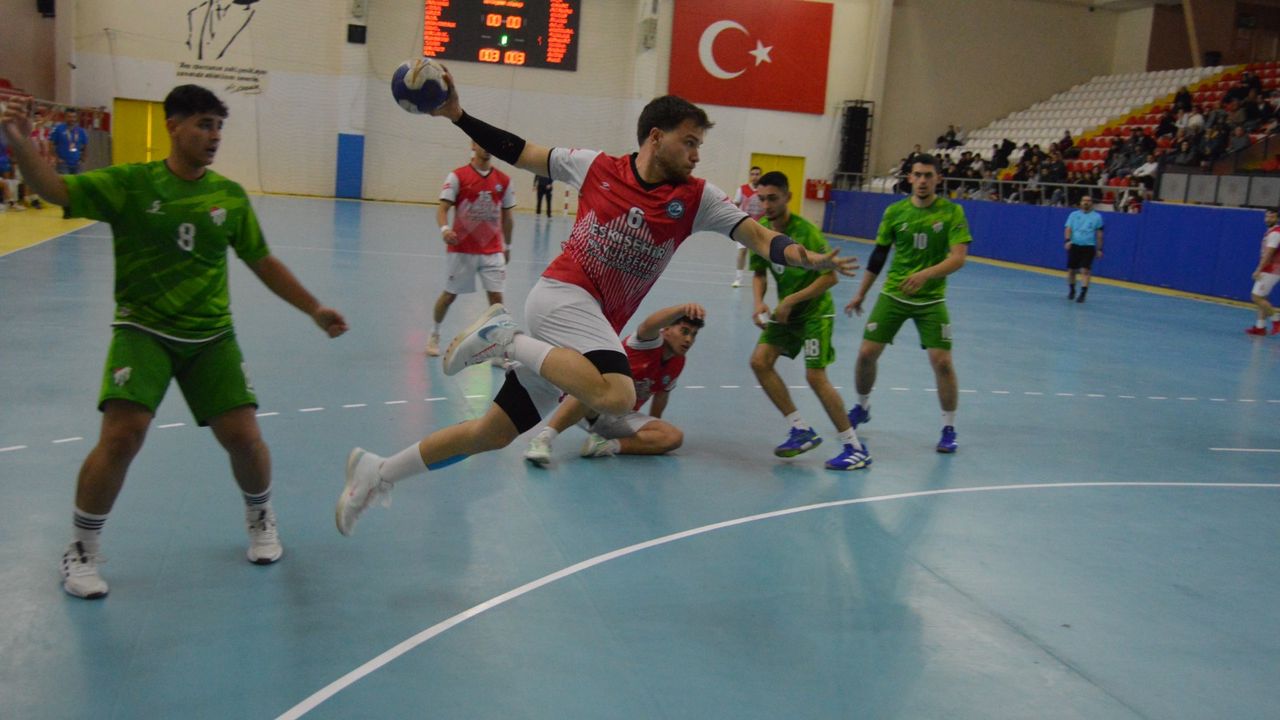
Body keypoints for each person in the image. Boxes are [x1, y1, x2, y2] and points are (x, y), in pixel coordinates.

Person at [334, 75, 858, 536]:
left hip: (579, 330)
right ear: (656, 136)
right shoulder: (595, 167)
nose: (697, 155)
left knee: (490, 434)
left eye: (700, 145)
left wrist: (807, 257)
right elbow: (521, 151)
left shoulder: (697, 198)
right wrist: (458, 116)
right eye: (690, 142)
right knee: (618, 393)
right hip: (563, 296)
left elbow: (760, 238)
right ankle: (505, 339)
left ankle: (377, 473)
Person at [1, 87, 349, 599]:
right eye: (204, 125)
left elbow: (263, 262)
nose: (214, 137)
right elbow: (54, 189)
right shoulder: (131, 184)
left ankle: (260, 516)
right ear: (173, 126)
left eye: (219, 127)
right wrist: (17, 140)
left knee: (245, 438)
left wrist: (314, 309)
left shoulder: (229, 196)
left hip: (211, 336)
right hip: (142, 331)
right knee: (123, 435)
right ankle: (81, 549)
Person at [844, 154, 970, 454]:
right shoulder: (895, 212)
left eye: (928, 175)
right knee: (865, 354)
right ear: (910, 178)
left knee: (942, 362)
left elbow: (958, 258)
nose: (923, 181)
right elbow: (879, 256)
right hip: (894, 294)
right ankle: (862, 407)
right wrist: (861, 293)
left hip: (931, 298)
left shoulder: (952, 212)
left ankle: (949, 428)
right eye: (918, 175)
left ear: (938, 178)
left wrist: (926, 275)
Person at [748, 171, 869, 470]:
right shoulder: (761, 231)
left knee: (815, 376)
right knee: (760, 362)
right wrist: (759, 301)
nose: (767, 205)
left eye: (773, 198)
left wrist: (791, 300)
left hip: (815, 312)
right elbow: (759, 272)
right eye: (762, 199)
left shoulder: (806, 232)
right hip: (787, 313)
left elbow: (830, 278)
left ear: (788, 197)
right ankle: (800, 429)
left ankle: (855, 448)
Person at [524, 303, 704, 466]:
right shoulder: (648, 343)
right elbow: (649, 324)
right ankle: (543, 440)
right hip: (592, 403)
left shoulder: (678, 362)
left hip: (621, 414)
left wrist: (653, 428)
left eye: (693, 335)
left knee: (673, 437)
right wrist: (681, 309)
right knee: (590, 389)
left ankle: (605, 446)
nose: (689, 340)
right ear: (667, 330)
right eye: (684, 331)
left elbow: (661, 396)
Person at [425, 141, 516, 357]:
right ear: (473, 145)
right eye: (481, 142)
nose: (487, 147)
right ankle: (435, 333)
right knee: (449, 296)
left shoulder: (504, 181)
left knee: (497, 300)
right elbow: (442, 209)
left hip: (492, 251)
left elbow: (508, 218)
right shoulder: (457, 176)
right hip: (462, 250)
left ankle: (499, 348)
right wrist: (445, 229)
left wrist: (508, 246)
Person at [1246, 208, 1280, 336]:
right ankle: (1260, 327)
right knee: (1263, 297)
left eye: (1272, 217)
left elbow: (1269, 253)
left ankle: (1276, 320)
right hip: (1271, 269)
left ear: (1277, 218)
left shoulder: (1275, 233)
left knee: (1256, 297)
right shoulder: (1270, 232)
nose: (1268, 219)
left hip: (1271, 269)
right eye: (1267, 216)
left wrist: (1259, 269)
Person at [1064, 194, 1104, 303]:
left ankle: (1083, 293)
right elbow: (1068, 228)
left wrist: (1099, 249)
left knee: (1085, 270)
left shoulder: (1097, 217)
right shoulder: (1073, 215)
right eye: (1084, 200)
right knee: (1071, 270)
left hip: (1088, 246)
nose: (1086, 202)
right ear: (1081, 202)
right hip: (1075, 244)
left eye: (1088, 201)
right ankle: (1072, 289)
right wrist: (1067, 240)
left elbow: (1099, 234)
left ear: (1091, 203)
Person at [731, 165, 764, 287]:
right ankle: (738, 279)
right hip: (744, 226)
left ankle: (759, 278)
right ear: (750, 176)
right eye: (753, 174)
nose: (755, 176)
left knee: (760, 254)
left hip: (759, 227)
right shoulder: (742, 189)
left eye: (757, 174)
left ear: (761, 176)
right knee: (742, 251)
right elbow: (735, 205)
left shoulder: (764, 191)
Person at [50, 108, 88, 175]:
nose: (72, 119)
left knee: (77, 181)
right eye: (69, 117)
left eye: (74, 117)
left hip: (77, 164)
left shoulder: (81, 131)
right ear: (65, 117)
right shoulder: (58, 129)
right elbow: (51, 144)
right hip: (63, 164)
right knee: (65, 181)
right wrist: (56, 158)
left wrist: (82, 159)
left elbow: (85, 146)